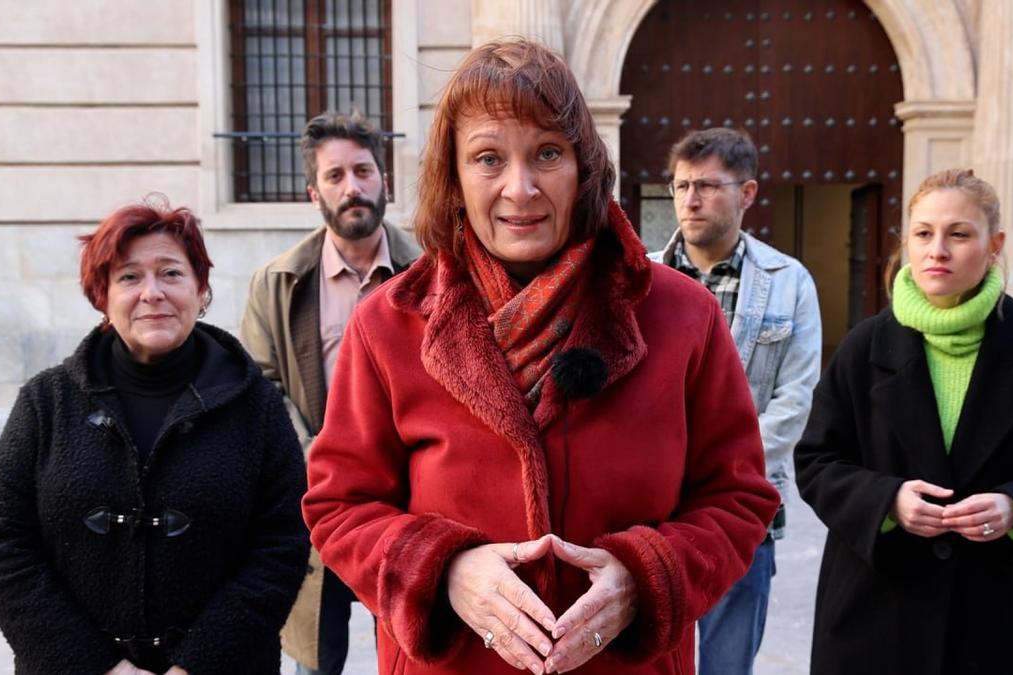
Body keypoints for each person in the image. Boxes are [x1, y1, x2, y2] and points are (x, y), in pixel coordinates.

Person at [301, 38, 780, 675]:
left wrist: (647, 579)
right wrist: (442, 569)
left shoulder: (682, 315)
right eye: (489, 158)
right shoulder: (388, 325)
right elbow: (338, 507)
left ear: (583, 165)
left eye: (547, 153)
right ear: (455, 174)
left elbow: (739, 497)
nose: (520, 189)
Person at [794, 168, 1013, 675]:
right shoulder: (864, 347)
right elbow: (817, 461)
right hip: (875, 620)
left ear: (995, 245)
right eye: (923, 233)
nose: (937, 250)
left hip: (997, 624)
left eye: (959, 234)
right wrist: (887, 501)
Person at [0, 198, 310, 675]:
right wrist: (96, 665)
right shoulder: (45, 402)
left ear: (201, 289)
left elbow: (283, 543)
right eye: (129, 277)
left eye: (171, 273)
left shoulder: (256, 406)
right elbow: (0, 539)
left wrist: (199, 663)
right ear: (102, 296)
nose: (152, 292)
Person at [240, 110, 421, 675]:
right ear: (313, 192)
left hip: (409, 507)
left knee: (412, 652)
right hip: (318, 509)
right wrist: (319, 461)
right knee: (316, 663)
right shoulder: (277, 281)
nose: (353, 187)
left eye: (363, 171)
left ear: (384, 180)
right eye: (336, 175)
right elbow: (259, 391)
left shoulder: (431, 272)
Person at [649, 127, 821, 675]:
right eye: (680, 186)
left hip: (743, 516)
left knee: (727, 667)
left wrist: (722, 472)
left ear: (747, 194)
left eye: (707, 185)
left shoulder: (788, 282)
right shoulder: (641, 279)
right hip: (653, 517)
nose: (690, 200)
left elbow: (794, 399)